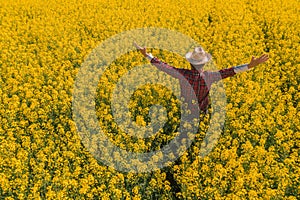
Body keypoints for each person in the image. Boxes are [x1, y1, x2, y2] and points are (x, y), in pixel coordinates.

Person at [134, 42, 269, 197]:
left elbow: (164, 67)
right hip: (202, 118)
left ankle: (178, 172)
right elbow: (230, 71)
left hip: (186, 118)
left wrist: (146, 54)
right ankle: (193, 171)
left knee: (182, 145)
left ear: (190, 63)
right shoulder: (210, 76)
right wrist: (250, 65)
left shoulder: (183, 74)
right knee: (198, 146)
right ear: (204, 63)